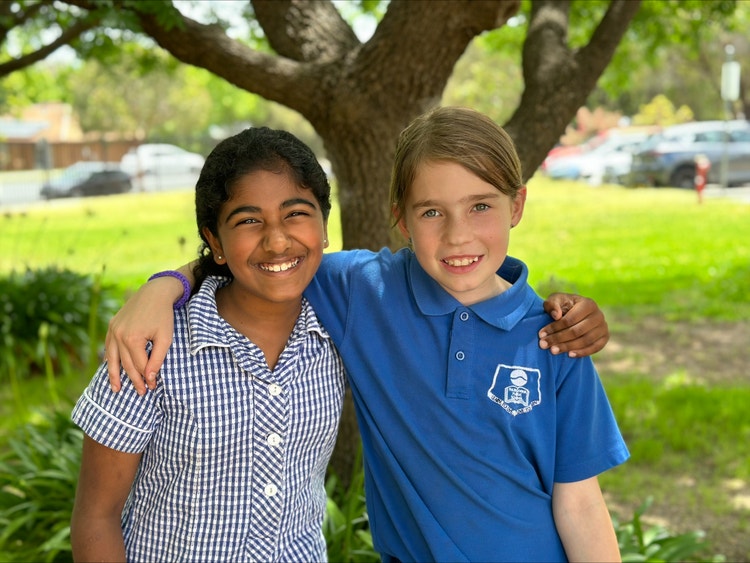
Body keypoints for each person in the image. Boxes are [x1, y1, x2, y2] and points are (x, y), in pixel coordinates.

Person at [103, 107, 625, 562]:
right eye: (431, 212)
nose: (458, 234)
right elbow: (266, 258)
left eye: (481, 206)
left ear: (517, 205)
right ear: (400, 217)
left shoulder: (559, 338)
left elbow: (579, 501)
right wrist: (163, 286)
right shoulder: (362, 291)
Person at [70, 127, 346, 562]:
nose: (277, 240)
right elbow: (96, 518)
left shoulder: (342, 325)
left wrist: (167, 281)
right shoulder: (151, 347)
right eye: (249, 221)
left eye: (296, 213)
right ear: (214, 240)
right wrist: (164, 287)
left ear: (324, 226)